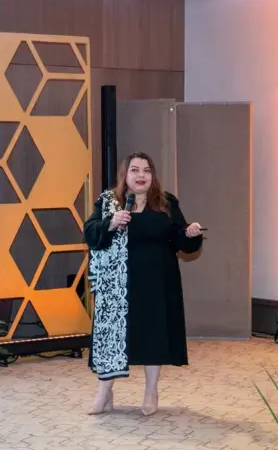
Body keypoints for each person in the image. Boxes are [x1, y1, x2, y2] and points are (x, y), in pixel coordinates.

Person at [83, 152, 203, 416]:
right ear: (125, 175)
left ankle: (151, 391)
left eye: (146, 170)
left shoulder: (166, 202)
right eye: (135, 170)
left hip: (158, 282)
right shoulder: (109, 201)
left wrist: (190, 233)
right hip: (118, 286)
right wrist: (111, 223)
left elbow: (180, 238)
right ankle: (105, 392)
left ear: (152, 175)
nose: (141, 176)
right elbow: (90, 233)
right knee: (114, 338)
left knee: (153, 336)